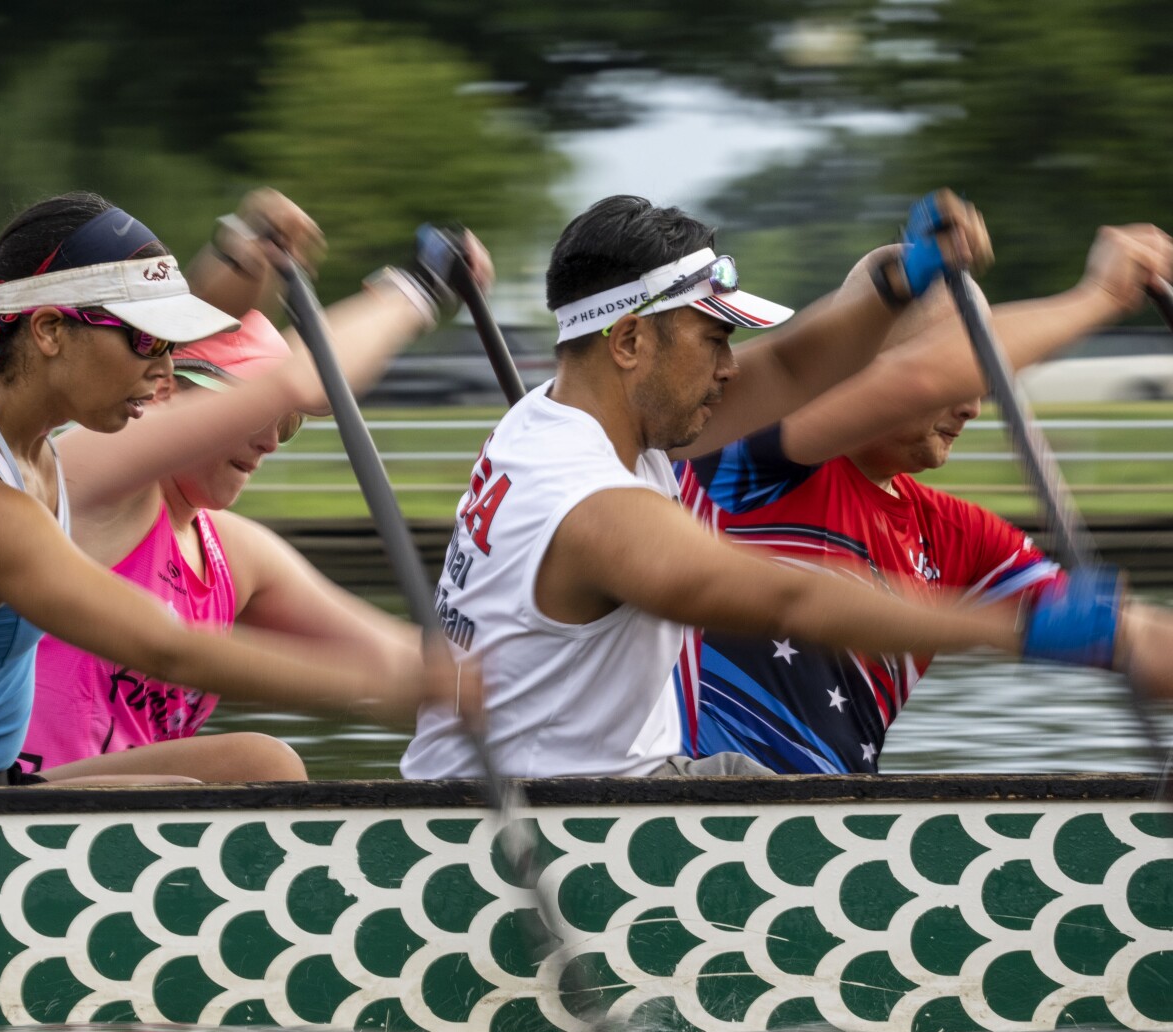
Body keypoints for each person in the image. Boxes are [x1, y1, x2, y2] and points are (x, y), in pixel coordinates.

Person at [401, 191, 1142, 782]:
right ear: (628, 341)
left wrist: (897, 279)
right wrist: (1019, 630)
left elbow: (787, 370)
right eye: (715, 340)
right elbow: (791, 596)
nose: (731, 368)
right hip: (547, 828)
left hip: (593, 789)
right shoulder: (588, 499)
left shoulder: (567, 415)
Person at [0, 191, 454, 789]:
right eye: (149, 345)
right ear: (50, 331)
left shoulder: (6, 414)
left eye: (170, 346)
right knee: (197, 790)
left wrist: (239, 248)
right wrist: (382, 684)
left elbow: (114, 333)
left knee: (262, 765)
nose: (163, 374)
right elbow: (165, 648)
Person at [676, 223, 1173, 772]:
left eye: (982, 386)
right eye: (965, 377)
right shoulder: (747, 462)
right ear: (865, 365)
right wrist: (1101, 297)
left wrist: (1132, 639)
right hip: (705, 802)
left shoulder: (961, 534)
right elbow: (916, 381)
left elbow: (1133, 634)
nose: (972, 407)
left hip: (828, 822)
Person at [21, 228, 487, 781]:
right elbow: (301, 380)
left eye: (284, 427)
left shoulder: (238, 555)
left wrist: (498, 679)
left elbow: (402, 660)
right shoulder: (88, 479)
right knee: (260, 763)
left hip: (118, 822)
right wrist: (421, 284)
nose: (269, 441)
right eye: (248, 414)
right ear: (167, 395)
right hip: (6, 808)